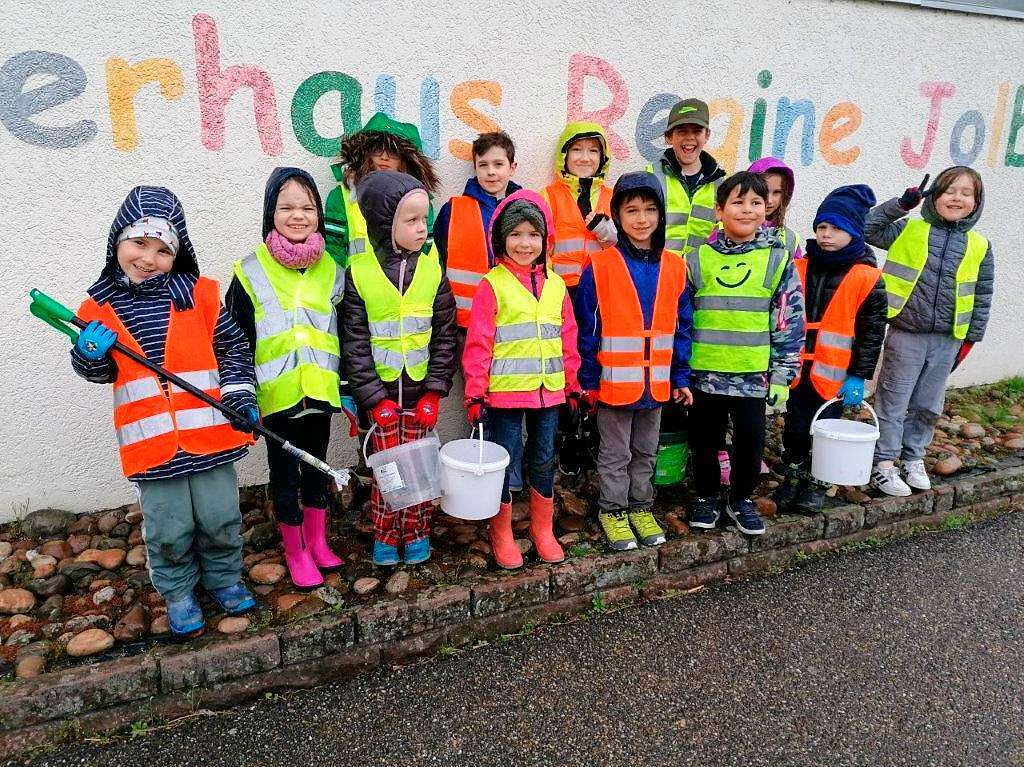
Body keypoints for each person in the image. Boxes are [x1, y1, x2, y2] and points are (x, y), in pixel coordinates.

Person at [71, 186, 257, 636]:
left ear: (178, 253)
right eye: (139, 243)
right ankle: (177, 591)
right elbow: (97, 372)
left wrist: (239, 394)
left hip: (210, 433)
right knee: (168, 528)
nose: (148, 258)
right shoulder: (97, 307)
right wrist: (89, 355)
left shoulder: (202, 295)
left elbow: (234, 348)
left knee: (219, 516)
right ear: (117, 240)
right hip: (152, 445)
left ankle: (225, 578)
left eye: (162, 249)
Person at [227, 168, 355, 589]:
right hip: (276, 397)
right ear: (271, 213)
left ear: (318, 214)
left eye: (307, 207)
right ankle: (296, 550)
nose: (297, 216)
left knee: (317, 466)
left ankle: (318, 541)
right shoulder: (250, 271)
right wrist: (241, 395)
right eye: (287, 207)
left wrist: (348, 391)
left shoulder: (332, 270)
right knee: (285, 473)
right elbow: (235, 341)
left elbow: (345, 332)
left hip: (319, 392)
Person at [341, 171, 458, 565]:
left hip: (419, 393)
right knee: (387, 473)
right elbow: (354, 344)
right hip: (384, 400)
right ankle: (387, 536)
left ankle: (418, 530)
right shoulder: (360, 273)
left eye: (424, 220)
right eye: (411, 221)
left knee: (421, 469)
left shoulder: (432, 271)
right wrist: (372, 399)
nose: (422, 229)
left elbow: (444, 336)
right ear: (383, 222)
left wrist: (434, 391)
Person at [462, 190, 581, 569]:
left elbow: (568, 337)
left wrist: (573, 385)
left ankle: (542, 530)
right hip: (506, 397)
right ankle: (502, 533)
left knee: (544, 459)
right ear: (501, 239)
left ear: (545, 239)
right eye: (515, 234)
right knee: (505, 463)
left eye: (533, 234)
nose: (524, 243)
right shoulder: (492, 285)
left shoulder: (557, 285)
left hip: (549, 393)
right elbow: (479, 344)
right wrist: (475, 395)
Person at [575, 172, 693, 551]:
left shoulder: (676, 266)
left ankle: (641, 506)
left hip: (656, 385)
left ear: (661, 214)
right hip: (613, 385)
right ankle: (613, 510)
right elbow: (588, 327)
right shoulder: (601, 265)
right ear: (618, 217)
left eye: (649, 210)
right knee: (615, 452)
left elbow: (683, 326)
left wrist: (681, 376)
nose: (641, 219)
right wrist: (588, 381)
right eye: (631, 211)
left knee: (646, 450)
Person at [685, 172, 805, 536]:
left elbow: (788, 320)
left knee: (750, 443)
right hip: (704, 373)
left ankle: (741, 499)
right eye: (737, 202)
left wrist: (784, 373)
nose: (747, 209)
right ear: (719, 210)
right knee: (704, 441)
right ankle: (705, 496)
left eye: (756, 202)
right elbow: (682, 317)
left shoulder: (777, 259)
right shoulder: (697, 258)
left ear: (766, 210)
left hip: (754, 375)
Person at [866, 166, 995, 496]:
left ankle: (913, 458)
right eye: (949, 191)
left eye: (966, 193)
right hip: (906, 331)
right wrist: (900, 205)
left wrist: (971, 337)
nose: (957, 198)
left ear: (976, 203)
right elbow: (866, 228)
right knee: (893, 401)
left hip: (948, 338)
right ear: (933, 197)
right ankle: (884, 464)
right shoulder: (910, 226)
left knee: (928, 404)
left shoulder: (980, 245)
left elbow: (982, 294)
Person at [773, 185, 887, 514]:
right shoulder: (799, 268)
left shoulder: (867, 277)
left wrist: (859, 376)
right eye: (821, 227)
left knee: (825, 432)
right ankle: (792, 477)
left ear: (853, 232)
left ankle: (818, 484)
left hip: (834, 376)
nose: (826, 234)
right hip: (796, 370)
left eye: (835, 228)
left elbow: (871, 334)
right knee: (794, 430)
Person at [324, 112, 440, 266]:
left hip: (407, 285)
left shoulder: (419, 199)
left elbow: (425, 250)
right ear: (366, 152)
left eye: (393, 151)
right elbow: (333, 252)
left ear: (405, 159)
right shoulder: (342, 197)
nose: (384, 157)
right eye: (377, 149)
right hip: (357, 286)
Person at [434, 131, 523, 328]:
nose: (491, 171)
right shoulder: (453, 209)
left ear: (512, 168)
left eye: (498, 164)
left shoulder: (527, 209)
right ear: (475, 168)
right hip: (465, 322)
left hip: (514, 320)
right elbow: (439, 256)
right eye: (483, 165)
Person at [541, 122, 618, 292]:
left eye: (593, 150)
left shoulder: (615, 198)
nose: (585, 158)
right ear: (564, 156)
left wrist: (605, 230)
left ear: (602, 158)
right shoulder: (548, 196)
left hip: (602, 290)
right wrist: (549, 286)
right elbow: (539, 248)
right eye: (576, 149)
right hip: (560, 291)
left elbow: (624, 250)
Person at [646, 98, 726, 258]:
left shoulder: (720, 183)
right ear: (669, 137)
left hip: (700, 276)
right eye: (682, 131)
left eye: (697, 131)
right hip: (661, 272)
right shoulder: (652, 175)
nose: (689, 138)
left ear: (707, 135)